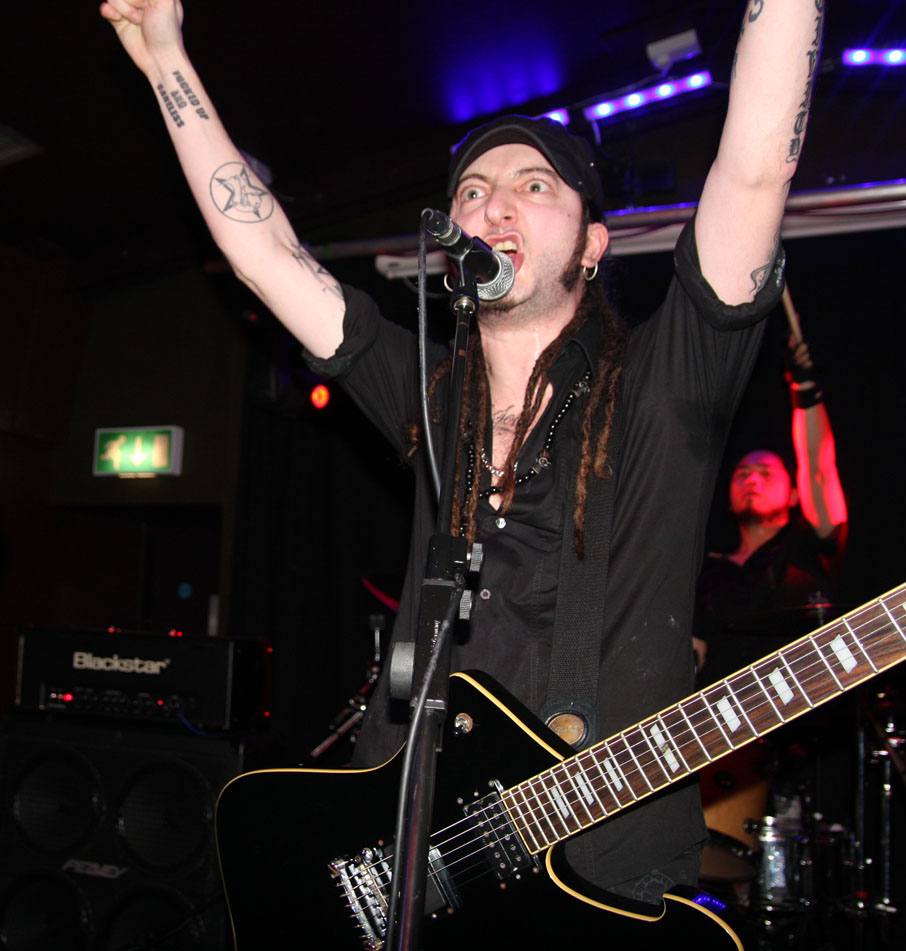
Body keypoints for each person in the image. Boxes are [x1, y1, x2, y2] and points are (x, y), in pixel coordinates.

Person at [100, 0, 826, 936]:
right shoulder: (433, 395)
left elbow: (755, 168)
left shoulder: (663, 382)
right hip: (395, 858)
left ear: (593, 245)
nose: (494, 204)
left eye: (535, 185)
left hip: (601, 882)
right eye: (474, 190)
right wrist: (164, 54)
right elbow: (262, 252)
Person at [694, 328, 849, 683]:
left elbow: (818, 467)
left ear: (795, 494)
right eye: (743, 474)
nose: (752, 479)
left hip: (799, 705)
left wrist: (804, 388)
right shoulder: (705, 572)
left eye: (765, 473)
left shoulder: (807, 548)